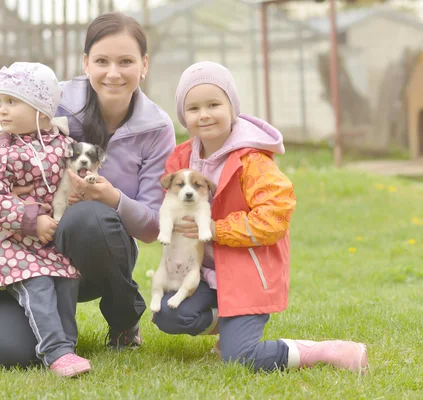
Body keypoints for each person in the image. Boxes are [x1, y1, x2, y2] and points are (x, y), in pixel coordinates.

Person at [0, 12, 176, 368]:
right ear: (85, 62)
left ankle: (123, 318)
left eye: (126, 61)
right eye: (102, 61)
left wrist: (111, 197)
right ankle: (46, 326)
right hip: (26, 250)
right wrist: (8, 202)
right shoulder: (49, 100)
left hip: (97, 254)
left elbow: (152, 226)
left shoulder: (156, 127)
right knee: (9, 354)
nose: (113, 73)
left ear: (144, 65)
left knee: (90, 217)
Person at [152, 61, 368, 374]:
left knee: (242, 358)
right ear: (183, 116)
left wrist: (215, 228)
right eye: (193, 107)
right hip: (200, 270)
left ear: (232, 106)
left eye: (214, 104)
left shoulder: (253, 161)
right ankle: (226, 324)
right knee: (168, 316)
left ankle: (330, 351)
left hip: (245, 273)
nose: (204, 114)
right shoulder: (182, 157)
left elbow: (274, 216)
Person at [0, 61, 91, 377]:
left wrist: (83, 184)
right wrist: (30, 220)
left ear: (42, 110)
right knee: (37, 284)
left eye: (12, 102)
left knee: (66, 279)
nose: (2, 111)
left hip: (46, 241)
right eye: (0, 103)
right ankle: (55, 352)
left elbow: (79, 170)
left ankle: (66, 344)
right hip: (7, 243)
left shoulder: (61, 143)